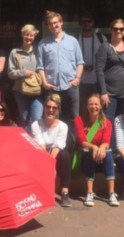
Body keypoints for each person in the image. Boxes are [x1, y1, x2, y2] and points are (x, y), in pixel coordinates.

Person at [36, 10, 84, 149]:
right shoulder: (43, 44)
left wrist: (77, 79)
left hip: (70, 86)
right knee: (52, 118)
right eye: (50, 24)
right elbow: (40, 66)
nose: (54, 26)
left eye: (56, 22)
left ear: (61, 23)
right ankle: (54, 148)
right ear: (48, 26)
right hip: (52, 88)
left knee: (74, 118)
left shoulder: (73, 41)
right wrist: (44, 82)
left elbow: (79, 62)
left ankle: (74, 148)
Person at [96, 19, 124, 150]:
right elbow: (99, 70)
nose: (118, 31)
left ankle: (121, 150)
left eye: (121, 29)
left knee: (123, 122)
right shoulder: (105, 47)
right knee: (108, 121)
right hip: (109, 92)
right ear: (111, 30)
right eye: (116, 29)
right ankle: (108, 149)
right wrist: (103, 92)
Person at [74, 94, 118, 207]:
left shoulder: (106, 122)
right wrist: (93, 147)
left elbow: (106, 140)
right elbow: (82, 141)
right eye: (90, 104)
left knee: (108, 155)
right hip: (86, 156)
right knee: (89, 154)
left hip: (101, 156)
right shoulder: (79, 120)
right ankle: (89, 192)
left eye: (96, 104)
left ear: (101, 106)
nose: (93, 106)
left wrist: (102, 147)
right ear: (87, 107)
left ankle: (111, 193)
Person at [31, 94, 72, 207]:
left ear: (58, 111)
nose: (51, 110)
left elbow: (57, 146)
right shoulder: (36, 125)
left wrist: (51, 165)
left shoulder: (63, 126)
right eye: (48, 107)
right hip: (41, 153)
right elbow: (40, 145)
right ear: (44, 108)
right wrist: (49, 167)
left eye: (54, 108)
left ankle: (64, 193)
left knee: (65, 155)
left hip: (55, 153)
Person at [8, 24, 43, 128]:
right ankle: (27, 141)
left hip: (37, 90)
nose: (29, 37)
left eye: (31, 35)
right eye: (27, 35)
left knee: (36, 118)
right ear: (22, 35)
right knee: (24, 118)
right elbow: (10, 73)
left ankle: (34, 142)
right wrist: (23, 72)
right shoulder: (15, 52)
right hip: (20, 91)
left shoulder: (38, 50)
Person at [76, 12, 107, 115]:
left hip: (97, 81)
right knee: (82, 109)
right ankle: (84, 131)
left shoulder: (101, 38)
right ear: (80, 24)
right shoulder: (75, 40)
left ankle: (96, 131)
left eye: (88, 21)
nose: (86, 23)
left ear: (92, 23)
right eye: (83, 22)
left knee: (97, 109)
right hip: (81, 82)